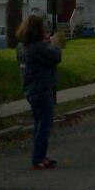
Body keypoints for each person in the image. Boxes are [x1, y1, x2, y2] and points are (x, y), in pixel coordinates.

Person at [16, 13, 62, 169]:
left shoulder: (23, 47)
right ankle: (38, 158)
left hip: (30, 89)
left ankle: (40, 156)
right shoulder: (39, 48)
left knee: (38, 123)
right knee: (45, 124)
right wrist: (55, 43)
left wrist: (45, 43)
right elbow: (56, 57)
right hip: (41, 89)